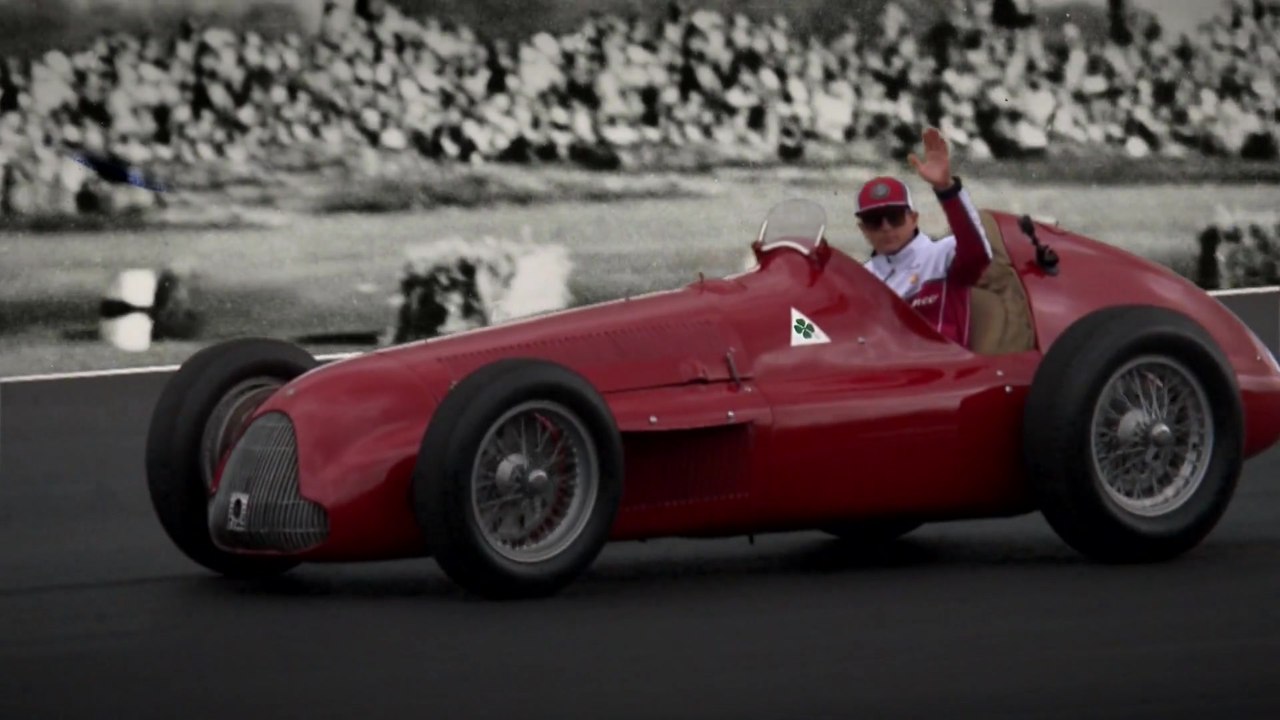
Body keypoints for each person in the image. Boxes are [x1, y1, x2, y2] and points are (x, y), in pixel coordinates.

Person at [859, 126, 994, 348]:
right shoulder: (860, 278)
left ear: (913, 218)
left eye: (894, 217)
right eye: (874, 220)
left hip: (943, 372)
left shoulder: (942, 255)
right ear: (863, 229)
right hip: (881, 374)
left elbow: (978, 252)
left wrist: (946, 189)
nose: (885, 227)